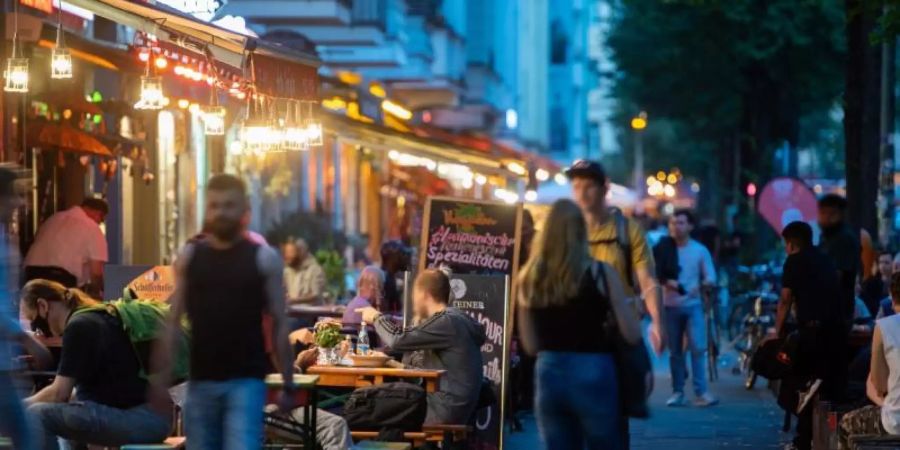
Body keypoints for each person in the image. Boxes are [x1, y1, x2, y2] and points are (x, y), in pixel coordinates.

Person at [151, 174, 295, 450]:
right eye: (215, 205)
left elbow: (278, 322)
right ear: (206, 209)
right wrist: (160, 380)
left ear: (244, 210)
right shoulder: (190, 258)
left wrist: (287, 381)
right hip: (201, 381)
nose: (221, 212)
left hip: (246, 382)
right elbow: (171, 321)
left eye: (229, 205)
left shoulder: (264, 259)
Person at [515, 199, 641, 449]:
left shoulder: (529, 277)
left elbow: (528, 345)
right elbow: (632, 334)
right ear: (581, 232)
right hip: (594, 368)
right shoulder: (601, 273)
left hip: (549, 370)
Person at [22, 280, 171, 449]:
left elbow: (59, 393)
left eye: (32, 320)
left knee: (35, 415)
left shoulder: (79, 326)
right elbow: (82, 393)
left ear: (43, 306)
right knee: (65, 416)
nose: (36, 330)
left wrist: (18, 407)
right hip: (154, 418)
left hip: (142, 419)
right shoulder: (96, 317)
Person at [357, 269, 486, 425]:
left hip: (441, 408)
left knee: (368, 407)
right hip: (450, 406)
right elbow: (429, 372)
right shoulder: (453, 320)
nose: (413, 301)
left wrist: (376, 317)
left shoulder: (447, 322)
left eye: (414, 294)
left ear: (424, 294)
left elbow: (398, 339)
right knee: (375, 406)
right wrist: (392, 363)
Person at [565, 159, 665, 353]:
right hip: (576, 329)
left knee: (634, 379)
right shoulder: (565, 231)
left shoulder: (628, 230)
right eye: (576, 186)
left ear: (605, 188)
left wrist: (658, 323)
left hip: (620, 328)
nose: (582, 193)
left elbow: (648, 282)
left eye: (589, 186)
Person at [776, 221, 844, 450]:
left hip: (810, 333)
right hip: (834, 331)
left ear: (791, 243)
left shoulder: (794, 262)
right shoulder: (825, 259)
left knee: (799, 383)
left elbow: (785, 300)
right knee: (823, 388)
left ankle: (803, 440)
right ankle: (813, 439)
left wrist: (776, 333)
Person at [0, 167, 51, 450]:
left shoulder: (5, 240)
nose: (21, 203)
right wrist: (25, 338)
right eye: (15, 195)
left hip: (5, 363)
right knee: (27, 438)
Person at [657, 210, 718, 407]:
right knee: (675, 351)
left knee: (698, 348)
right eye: (673, 223)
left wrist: (700, 286)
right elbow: (654, 273)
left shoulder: (699, 250)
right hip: (670, 306)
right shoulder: (663, 249)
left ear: (690, 226)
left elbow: (711, 276)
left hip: (692, 305)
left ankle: (701, 391)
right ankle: (677, 391)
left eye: (681, 223)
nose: (676, 227)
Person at [839, 272, 900, 449]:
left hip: (895, 421)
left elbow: (878, 384)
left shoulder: (884, 326)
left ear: (891, 295)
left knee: (845, 424)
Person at [23, 198, 108, 292]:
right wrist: (98, 294)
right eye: (101, 218)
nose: (100, 222)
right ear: (98, 213)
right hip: (61, 278)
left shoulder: (53, 218)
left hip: (31, 274)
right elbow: (96, 273)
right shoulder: (92, 227)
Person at [818, 194, 861, 329]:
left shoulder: (843, 239)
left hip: (836, 313)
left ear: (840, 214)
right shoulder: (826, 238)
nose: (826, 217)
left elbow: (836, 276)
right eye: (823, 213)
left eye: (831, 213)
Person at [283, 239, 326, 305]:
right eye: (286, 252)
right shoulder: (287, 271)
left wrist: (294, 300)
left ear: (301, 251)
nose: (287, 255)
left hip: (310, 314)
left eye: (291, 252)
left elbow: (315, 295)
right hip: (291, 313)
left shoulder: (315, 270)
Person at [380, 240, 412, 313]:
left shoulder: (389, 277)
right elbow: (384, 312)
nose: (406, 259)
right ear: (393, 258)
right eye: (402, 254)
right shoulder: (385, 280)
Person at [862, 252, 894, 317]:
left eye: (886, 262)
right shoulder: (870, 283)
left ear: (893, 264)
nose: (883, 265)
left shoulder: (896, 283)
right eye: (880, 262)